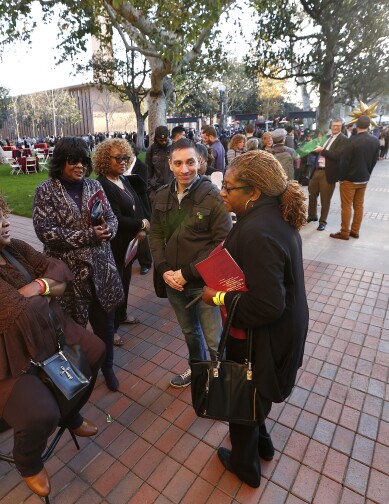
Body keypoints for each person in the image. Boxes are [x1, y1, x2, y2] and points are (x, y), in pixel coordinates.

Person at [0, 185, 105, 499]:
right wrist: (45, 290)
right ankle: (27, 461)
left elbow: (61, 274)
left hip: (41, 333)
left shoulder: (10, 248)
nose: (7, 221)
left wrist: (36, 287)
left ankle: (70, 414)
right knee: (40, 414)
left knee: (94, 353)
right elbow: (20, 317)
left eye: (3, 213)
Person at [201, 150, 308, 488]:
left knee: (242, 394)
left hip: (261, 335)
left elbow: (266, 305)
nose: (222, 192)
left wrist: (216, 296)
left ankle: (245, 466)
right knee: (254, 392)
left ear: (254, 192)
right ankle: (262, 444)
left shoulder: (259, 230)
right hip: (277, 330)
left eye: (229, 187)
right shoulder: (270, 218)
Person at [32, 137, 124, 391]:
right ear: (61, 162)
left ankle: (108, 367)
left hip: (101, 271)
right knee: (73, 329)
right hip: (70, 276)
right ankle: (78, 374)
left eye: (84, 160)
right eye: (73, 161)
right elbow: (45, 232)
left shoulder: (94, 185)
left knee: (105, 324)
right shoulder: (46, 190)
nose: (80, 166)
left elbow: (112, 219)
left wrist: (109, 230)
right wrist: (89, 236)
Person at [150, 138, 232, 388]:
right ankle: (197, 370)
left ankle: (221, 382)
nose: (184, 169)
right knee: (190, 333)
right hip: (174, 283)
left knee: (214, 339)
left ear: (200, 162)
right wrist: (164, 270)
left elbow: (222, 242)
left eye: (190, 162)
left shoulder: (213, 197)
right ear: (170, 164)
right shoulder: (162, 195)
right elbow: (155, 234)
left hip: (203, 284)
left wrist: (187, 273)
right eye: (178, 163)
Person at [94, 138, 149, 347]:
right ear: (104, 159)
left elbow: (137, 201)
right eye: (118, 158)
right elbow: (115, 218)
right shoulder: (102, 184)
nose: (123, 161)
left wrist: (142, 225)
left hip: (129, 241)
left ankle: (122, 314)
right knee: (115, 284)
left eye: (125, 157)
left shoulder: (122, 179)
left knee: (125, 279)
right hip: (114, 242)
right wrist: (141, 224)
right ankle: (112, 328)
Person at [330, 115, 380, 240]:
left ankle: (344, 232)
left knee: (346, 206)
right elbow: (374, 160)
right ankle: (355, 231)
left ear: (357, 126)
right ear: (369, 126)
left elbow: (344, 161)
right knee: (359, 205)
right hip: (363, 178)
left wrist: (341, 177)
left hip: (349, 179)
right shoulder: (375, 140)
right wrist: (368, 173)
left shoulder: (352, 140)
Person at [311, 118, 349, 231]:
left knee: (325, 199)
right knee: (312, 195)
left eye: (338, 125)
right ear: (331, 126)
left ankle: (322, 222)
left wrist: (322, 150)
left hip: (328, 173)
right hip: (317, 170)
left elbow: (337, 155)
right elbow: (317, 150)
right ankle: (312, 216)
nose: (335, 127)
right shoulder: (327, 137)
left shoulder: (344, 139)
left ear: (342, 126)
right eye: (334, 125)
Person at [126, 141, 152, 275]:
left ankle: (146, 262)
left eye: (127, 156)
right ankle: (131, 256)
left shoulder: (141, 167)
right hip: (126, 204)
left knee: (142, 234)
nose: (125, 160)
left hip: (140, 203)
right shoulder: (122, 166)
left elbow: (143, 187)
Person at [146, 125, 173, 196]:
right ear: (156, 138)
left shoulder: (175, 148)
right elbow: (149, 169)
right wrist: (150, 188)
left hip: (172, 188)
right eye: (161, 140)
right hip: (155, 189)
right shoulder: (151, 149)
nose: (164, 142)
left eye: (165, 140)